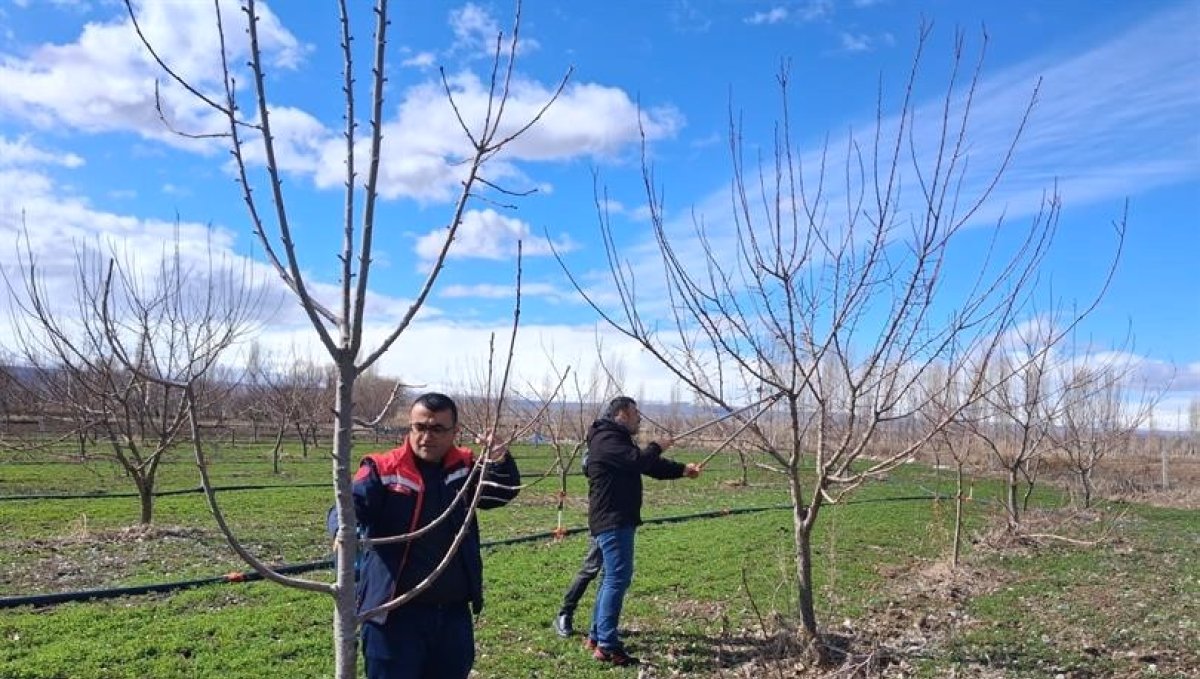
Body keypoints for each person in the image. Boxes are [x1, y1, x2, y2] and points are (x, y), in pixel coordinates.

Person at [350, 392, 520, 679]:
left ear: (455, 432)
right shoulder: (384, 469)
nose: (427, 436)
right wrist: (342, 532)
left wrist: (500, 459)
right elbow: (349, 508)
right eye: (420, 427)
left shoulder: (464, 468)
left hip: (451, 616)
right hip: (393, 617)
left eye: (438, 429)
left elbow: (501, 493)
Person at [584, 396, 701, 666]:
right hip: (613, 521)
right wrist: (656, 446)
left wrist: (683, 470)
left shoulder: (615, 440)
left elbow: (648, 465)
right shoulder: (606, 439)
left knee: (610, 578)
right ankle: (607, 646)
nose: (640, 418)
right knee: (617, 579)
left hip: (614, 519)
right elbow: (639, 461)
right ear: (622, 414)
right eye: (636, 413)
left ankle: (596, 635)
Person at [552, 536, 602, 638]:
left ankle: (603, 622)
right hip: (604, 525)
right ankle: (565, 613)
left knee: (611, 575)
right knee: (590, 568)